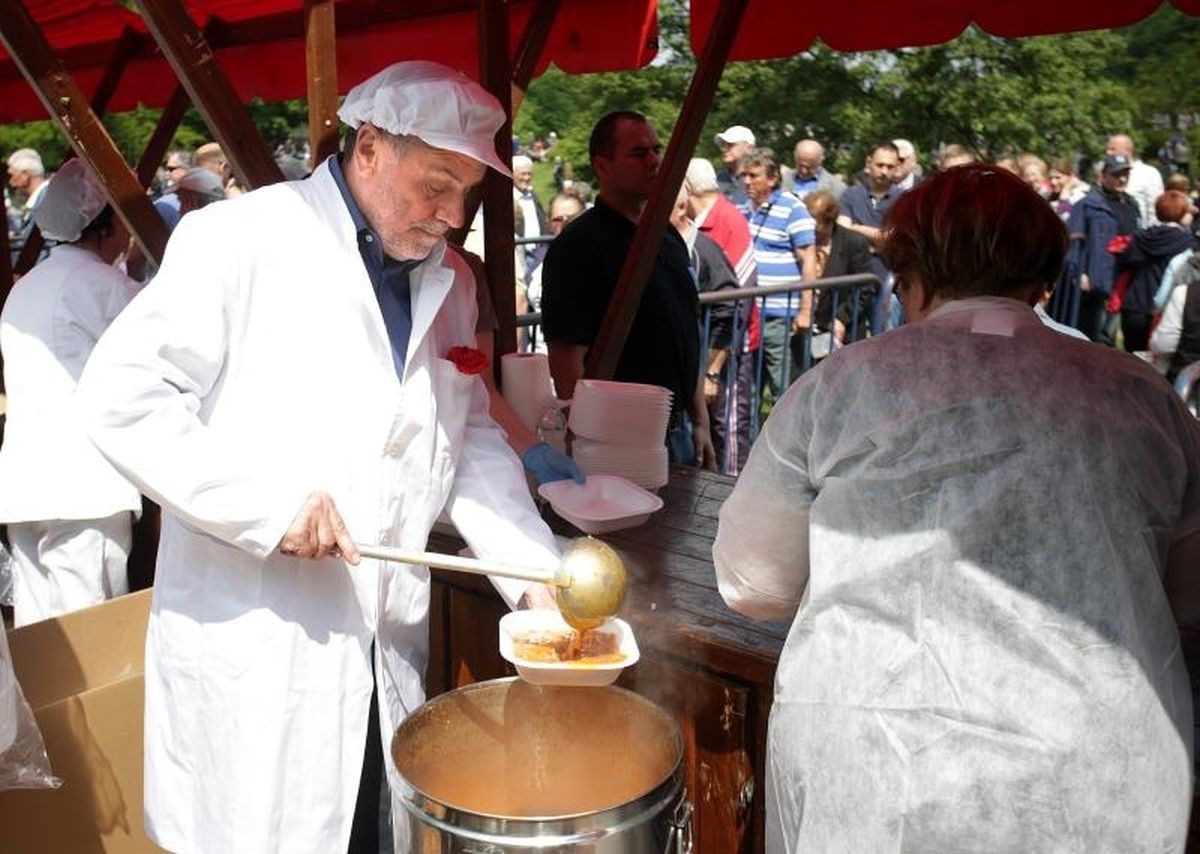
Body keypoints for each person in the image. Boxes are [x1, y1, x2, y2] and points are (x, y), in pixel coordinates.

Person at [76, 61, 563, 854]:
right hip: (260, 648)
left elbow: (467, 439)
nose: (452, 214)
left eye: (468, 190)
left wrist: (536, 579)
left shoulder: (452, 285)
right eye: (437, 183)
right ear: (369, 147)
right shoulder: (242, 238)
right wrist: (265, 507)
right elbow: (122, 399)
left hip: (384, 654)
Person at [713, 163, 1200, 853]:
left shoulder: (838, 389)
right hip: (1095, 772)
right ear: (1043, 280)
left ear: (911, 279)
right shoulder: (1143, 395)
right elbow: (1188, 594)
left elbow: (752, 582)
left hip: (877, 769)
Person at [0, 159, 142, 627]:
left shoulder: (24, 290)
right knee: (92, 632)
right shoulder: (106, 286)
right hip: (86, 488)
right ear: (102, 224)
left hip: (25, 485)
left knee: (40, 641)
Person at [541, 110, 715, 468]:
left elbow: (687, 334)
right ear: (602, 166)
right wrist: (592, 446)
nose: (654, 161)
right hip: (619, 441)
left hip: (678, 431)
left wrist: (700, 421)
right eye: (638, 153)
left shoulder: (666, 237)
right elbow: (566, 358)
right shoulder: (577, 247)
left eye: (656, 149)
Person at [1064, 153, 1141, 343]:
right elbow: (1074, 243)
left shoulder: (1132, 204)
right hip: (1094, 280)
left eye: (1125, 174)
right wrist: (1079, 273)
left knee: (1109, 336)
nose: (1122, 179)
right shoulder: (1087, 205)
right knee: (1088, 336)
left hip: (1121, 279)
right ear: (1103, 176)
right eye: (1116, 175)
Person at [1114, 189, 1194, 352]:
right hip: (1165, 310)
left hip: (1135, 304)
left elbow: (1125, 263)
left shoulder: (1139, 237)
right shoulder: (1187, 243)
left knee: (1132, 356)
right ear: (1182, 214)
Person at [7, 148, 50, 263]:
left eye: (12, 175)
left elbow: (47, 247)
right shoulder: (44, 197)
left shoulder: (45, 199)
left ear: (25, 174)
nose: (11, 182)